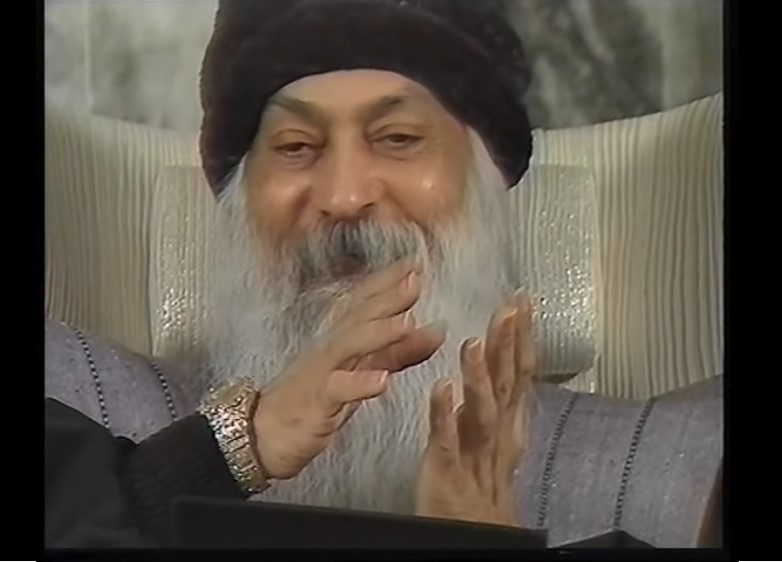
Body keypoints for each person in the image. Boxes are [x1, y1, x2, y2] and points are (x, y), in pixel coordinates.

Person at [45, 0, 723, 548]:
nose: (344, 196)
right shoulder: (82, 417)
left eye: (398, 138)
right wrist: (235, 444)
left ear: (483, 183)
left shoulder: (681, 470)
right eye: (296, 146)